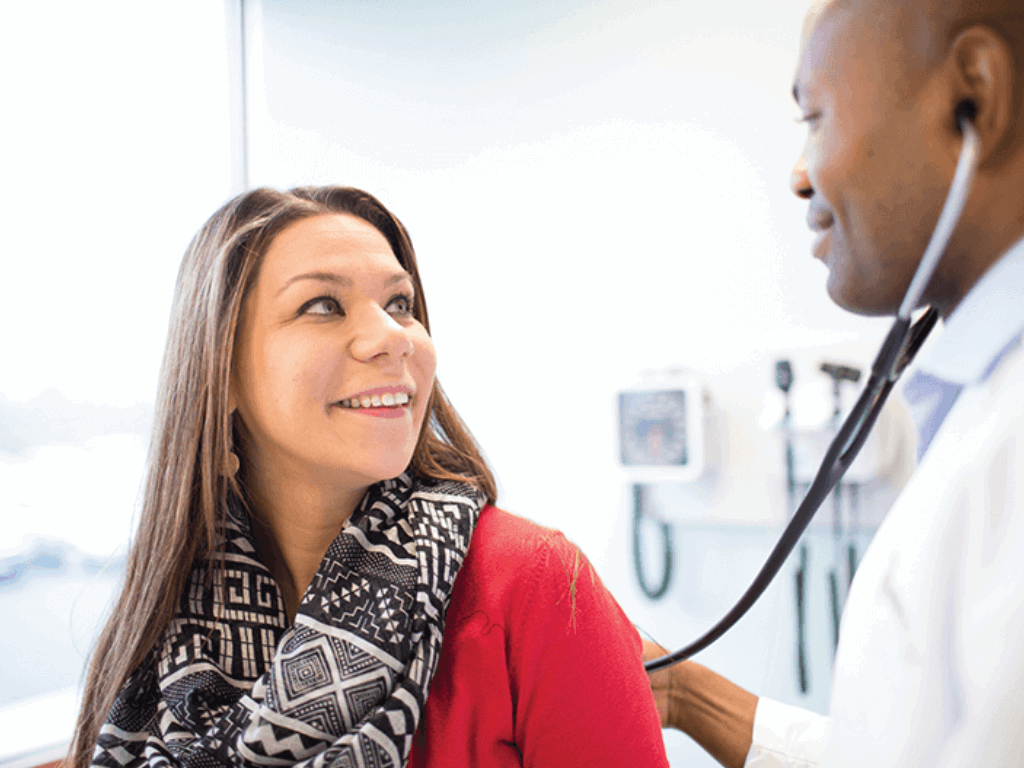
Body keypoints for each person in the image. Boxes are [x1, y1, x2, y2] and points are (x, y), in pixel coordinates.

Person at [68, 186, 669, 768]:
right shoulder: (161, 629)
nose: (393, 336)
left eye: (400, 304)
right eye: (323, 306)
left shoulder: (533, 586)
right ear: (219, 371)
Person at [644, 0, 1024, 765]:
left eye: (814, 118)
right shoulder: (980, 408)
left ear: (973, 96)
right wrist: (684, 692)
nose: (797, 175)